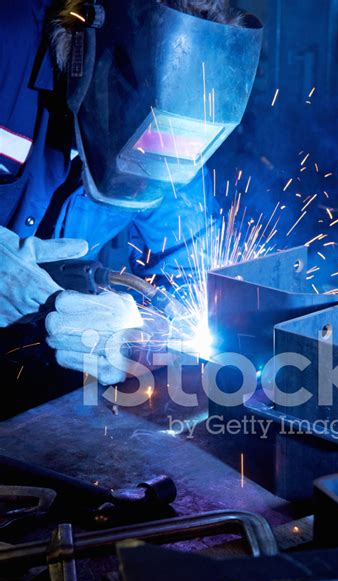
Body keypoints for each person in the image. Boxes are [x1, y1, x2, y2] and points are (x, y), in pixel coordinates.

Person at [0, 0, 262, 398]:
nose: (156, 150)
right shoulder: (8, 37)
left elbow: (193, 280)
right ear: (93, 57)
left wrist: (138, 334)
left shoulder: (180, 128)